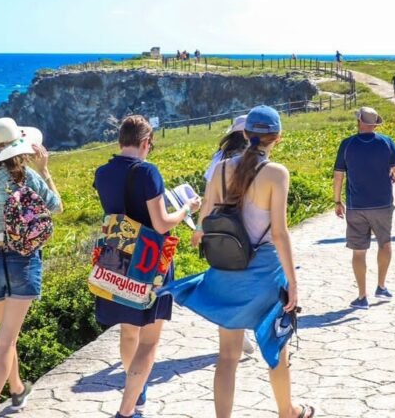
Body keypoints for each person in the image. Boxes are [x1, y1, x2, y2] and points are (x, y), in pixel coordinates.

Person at [162, 106, 315, 418]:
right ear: (278, 138)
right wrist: (294, 285)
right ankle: (287, 411)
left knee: (228, 356)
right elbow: (281, 234)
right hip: (265, 275)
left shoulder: (219, 170)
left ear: (245, 134)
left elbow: (204, 220)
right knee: (277, 348)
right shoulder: (276, 173)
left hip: (227, 271)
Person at [93, 115, 202, 418]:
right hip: (149, 262)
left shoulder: (102, 172)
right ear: (145, 142)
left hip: (116, 260)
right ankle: (127, 411)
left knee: (129, 332)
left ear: (120, 141)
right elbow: (160, 223)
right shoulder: (147, 172)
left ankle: (137, 395)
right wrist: (185, 209)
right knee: (149, 341)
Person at [0, 117, 63, 418]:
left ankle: (17, 389)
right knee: (5, 341)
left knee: (8, 336)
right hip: (21, 259)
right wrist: (45, 171)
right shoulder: (23, 176)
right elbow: (56, 206)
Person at [333, 107, 395, 310]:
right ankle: (381, 286)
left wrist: (337, 201)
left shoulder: (347, 144)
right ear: (375, 124)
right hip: (383, 205)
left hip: (356, 206)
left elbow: (338, 175)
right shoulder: (386, 142)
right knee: (385, 244)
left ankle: (361, 296)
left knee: (359, 252)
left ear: (359, 122)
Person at [203, 115, 258, 356]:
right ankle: (242, 329)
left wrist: (201, 227)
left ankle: (234, 330)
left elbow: (209, 195)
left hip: (221, 225)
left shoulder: (219, 159)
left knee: (227, 280)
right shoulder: (254, 158)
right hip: (248, 224)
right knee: (247, 279)